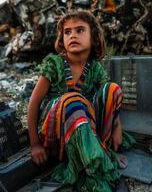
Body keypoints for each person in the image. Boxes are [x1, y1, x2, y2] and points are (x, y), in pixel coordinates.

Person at [27, 10, 133, 191]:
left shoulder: (95, 67)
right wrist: (35, 144)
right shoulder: (55, 64)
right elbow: (34, 104)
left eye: (80, 30)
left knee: (112, 89)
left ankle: (100, 150)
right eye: (67, 32)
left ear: (94, 38)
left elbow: (108, 100)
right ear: (62, 40)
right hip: (58, 135)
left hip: (88, 129)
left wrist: (117, 129)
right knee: (73, 100)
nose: (72, 35)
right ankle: (94, 168)